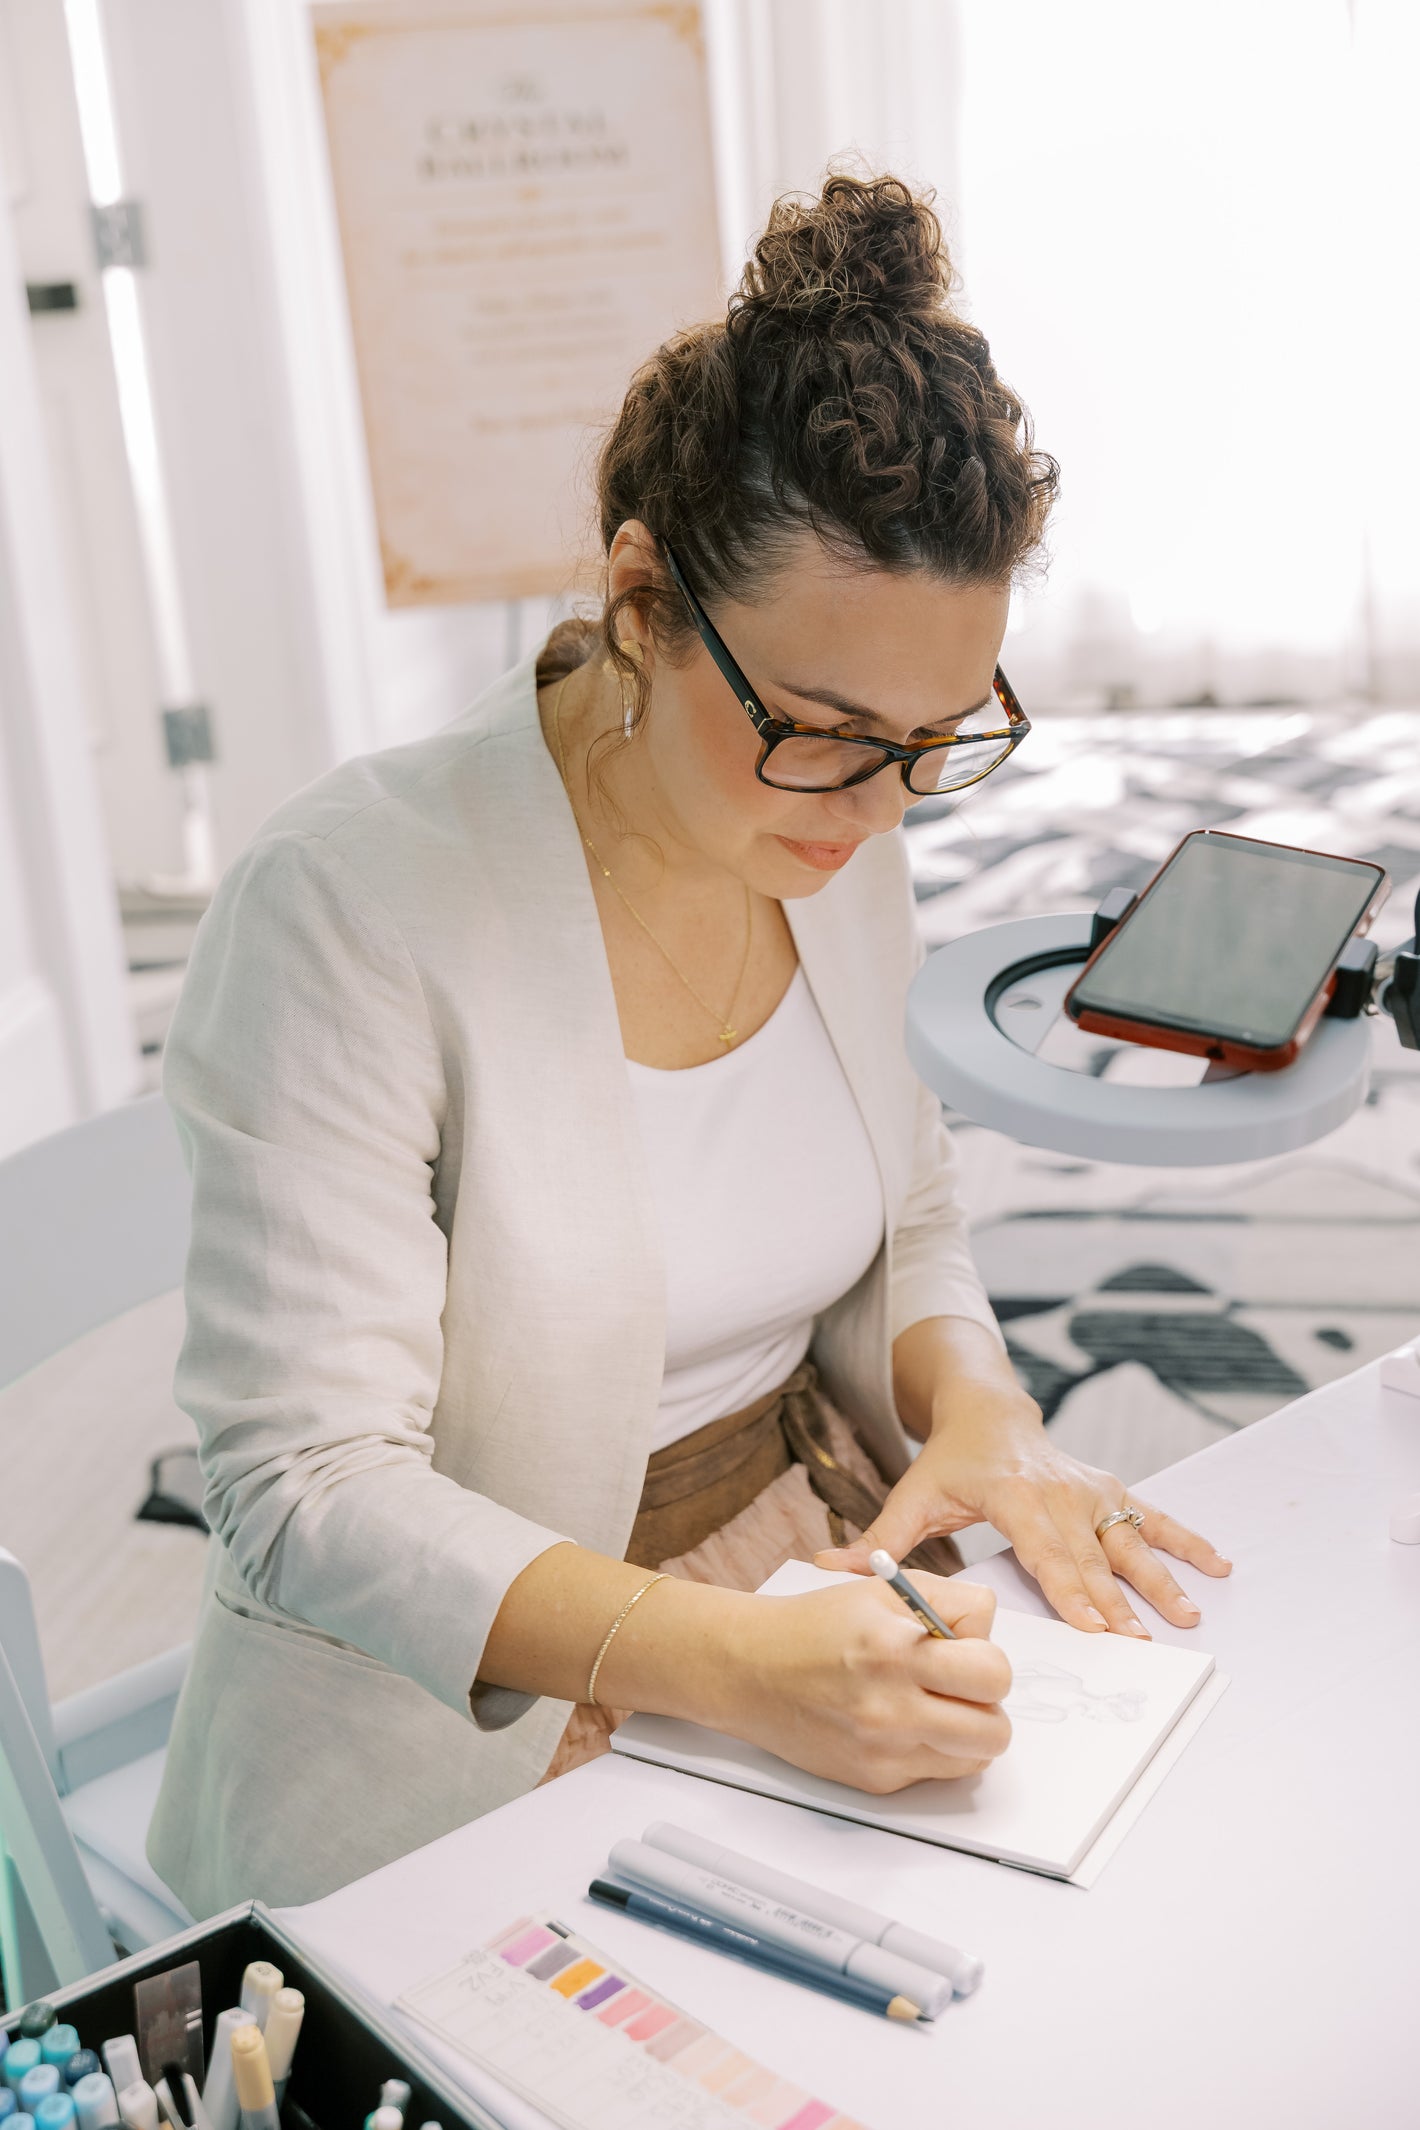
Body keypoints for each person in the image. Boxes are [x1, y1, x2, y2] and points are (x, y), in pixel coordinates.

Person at [147, 173, 1230, 1917]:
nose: (882, 811)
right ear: (643, 599)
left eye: (938, 739)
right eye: (821, 730)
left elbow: (908, 1214)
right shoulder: (346, 909)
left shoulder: (824, 820)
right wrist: (731, 1664)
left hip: (796, 1576)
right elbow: (304, 1490)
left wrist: (981, 1408)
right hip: (466, 1711)